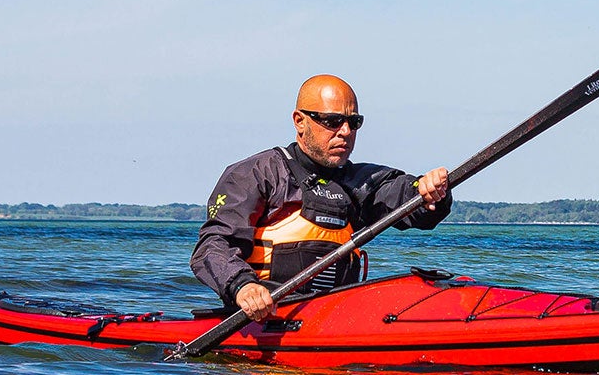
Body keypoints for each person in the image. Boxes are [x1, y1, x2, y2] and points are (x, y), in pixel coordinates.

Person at [191, 75, 451, 321]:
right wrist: (242, 286)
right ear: (299, 121)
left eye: (354, 122)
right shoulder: (257, 174)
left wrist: (429, 190)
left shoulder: (361, 182)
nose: (346, 131)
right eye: (332, 121)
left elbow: (406, 197)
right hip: (267, 319)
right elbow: (212, 247)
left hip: (335, 319)